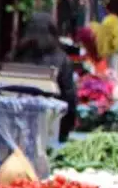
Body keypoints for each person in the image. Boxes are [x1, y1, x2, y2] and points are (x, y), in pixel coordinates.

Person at [12, 12, 77, 141]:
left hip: (15, 130)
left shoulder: (16, 57)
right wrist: (65, 131)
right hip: (50, 130)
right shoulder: (62, 60)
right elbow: (69, 98)